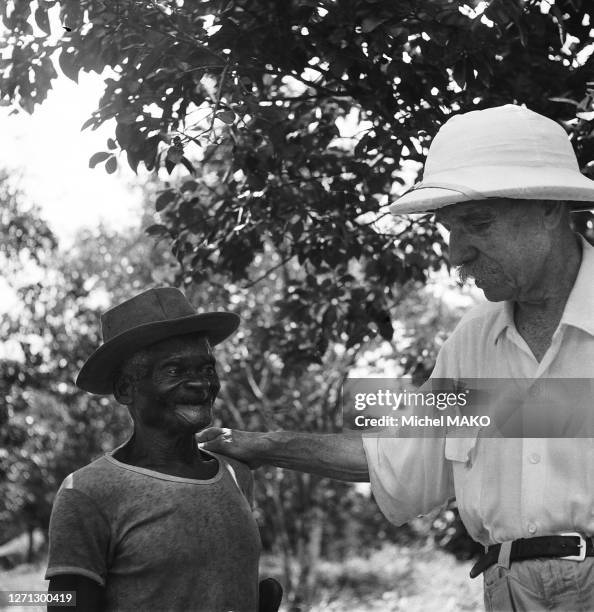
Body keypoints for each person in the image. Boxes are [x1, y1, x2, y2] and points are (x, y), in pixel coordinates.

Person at [197, 105, 594, 611]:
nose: (456, 254)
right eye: (451, 229)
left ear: (551, 209)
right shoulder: (471, 343)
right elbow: (399, 459)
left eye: (478, 223)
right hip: (508, 594)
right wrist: (266, 446)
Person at [45, 287, 282, 612]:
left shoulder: (235, 474)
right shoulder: (87, 493)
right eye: (175, 371)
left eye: (207, 368)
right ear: (126, 389)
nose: (201, 383)